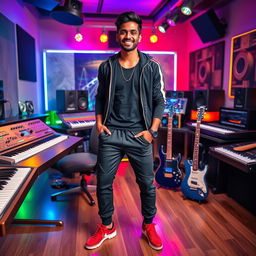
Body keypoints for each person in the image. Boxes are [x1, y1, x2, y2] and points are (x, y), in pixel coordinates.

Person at [85, 11, 165, 251]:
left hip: (140, 134)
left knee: (147, 184)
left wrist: (151, 131)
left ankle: (149, 224)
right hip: (112, 134)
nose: (127, 36)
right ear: (117, 35)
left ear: (139, 35)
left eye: (132, 32)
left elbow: (159, 101)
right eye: (123, 32)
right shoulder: (107, 66)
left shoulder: (151, 67)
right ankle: (107, 226)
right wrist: (99, 123)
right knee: (103, 182)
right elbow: (99, 98)